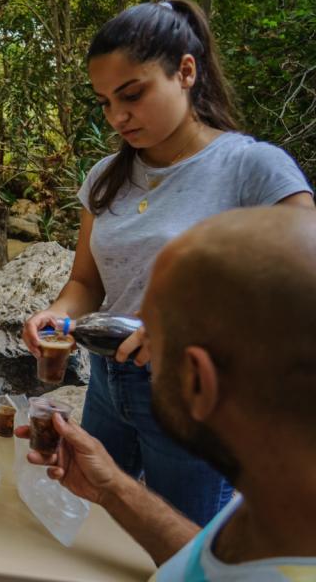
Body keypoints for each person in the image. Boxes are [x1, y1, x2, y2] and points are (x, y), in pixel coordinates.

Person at [22, 0, 314, 525]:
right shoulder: (107, 175)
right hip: (108, 384)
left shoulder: (252, 167)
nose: (117, 116)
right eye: (105, 102)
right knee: (93, 527)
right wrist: (58, 316)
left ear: (185, 71)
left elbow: (303, 293)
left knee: (183, 541)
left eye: (132, 94)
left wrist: (188, 331)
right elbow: (86, 281)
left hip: (197, 400)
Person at [18, 206, 316, 580]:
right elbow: (208, 565)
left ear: (197, 380)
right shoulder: (277, 509)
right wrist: (114, 489)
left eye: (149, 340)